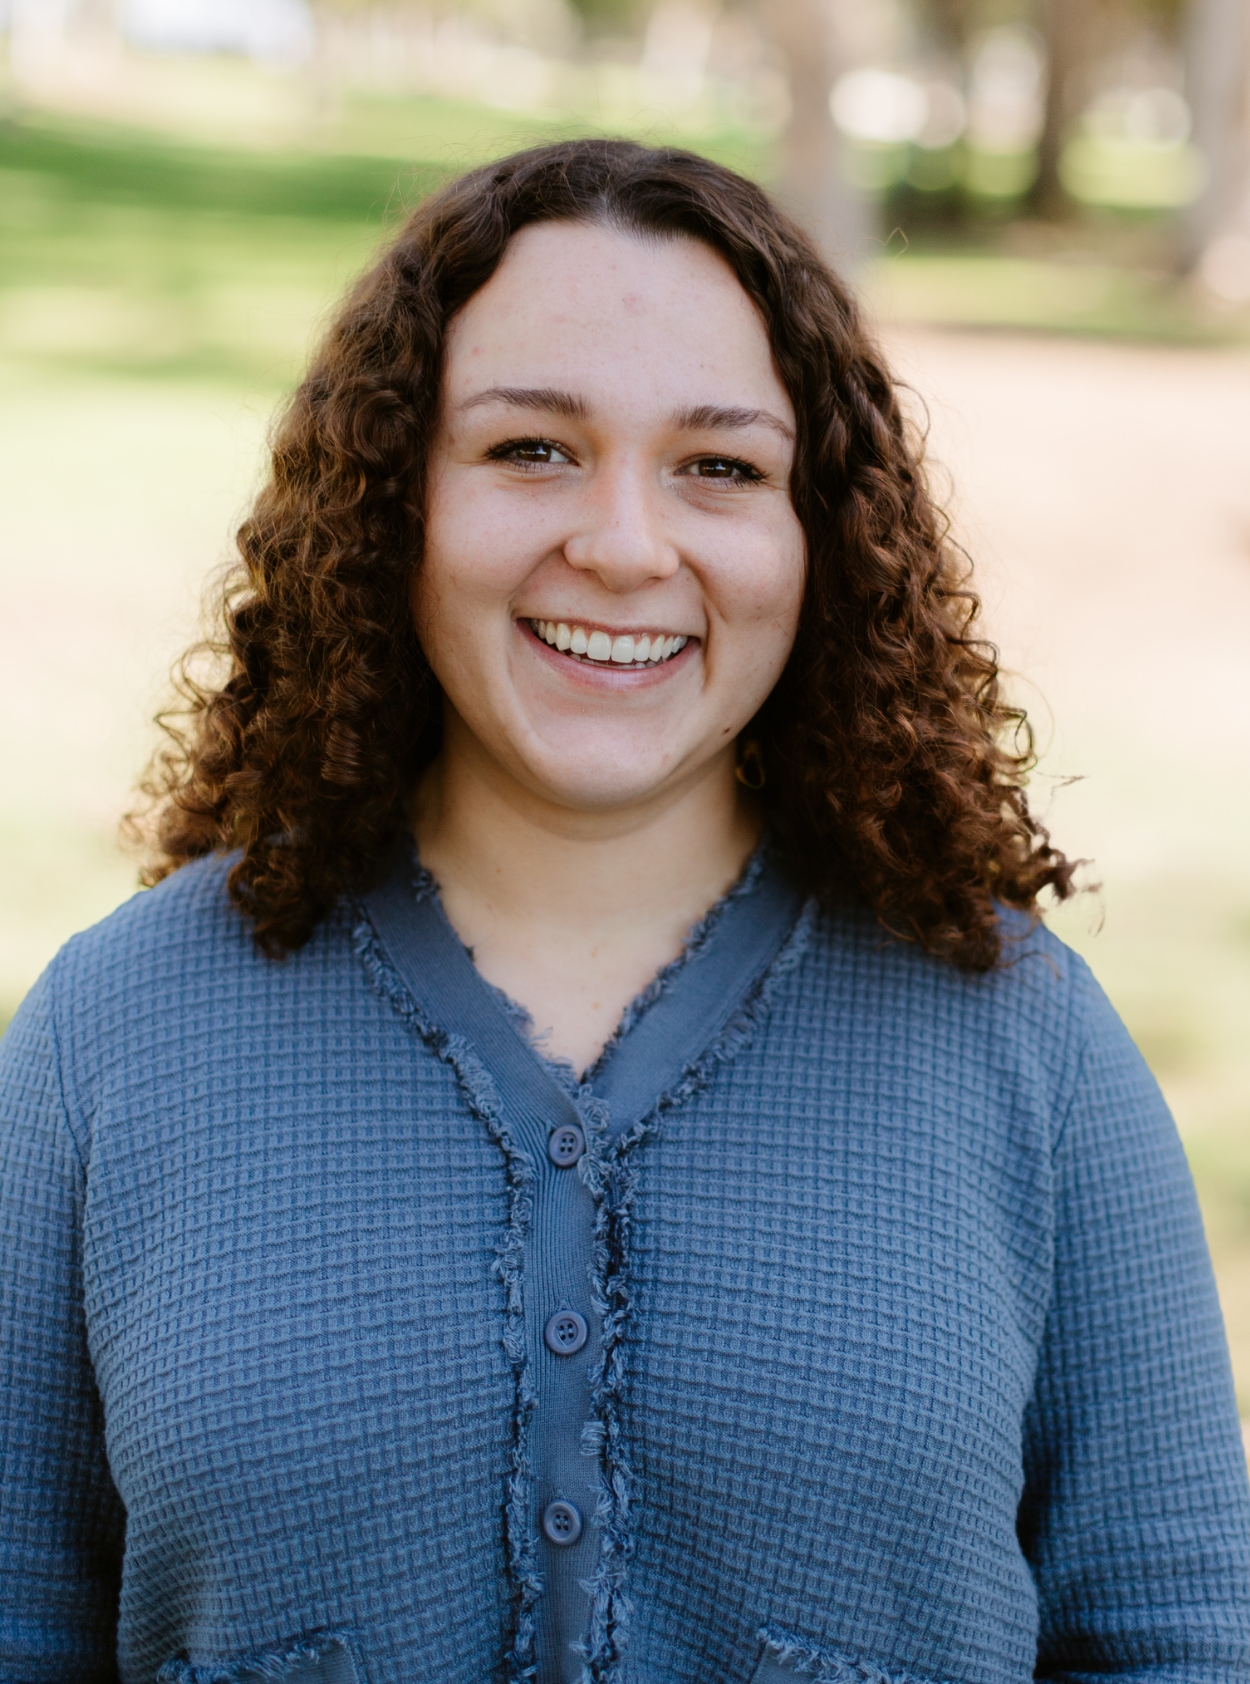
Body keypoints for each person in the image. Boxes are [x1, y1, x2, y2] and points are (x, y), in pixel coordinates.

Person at [1, 138, 1247, 1684]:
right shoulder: (110, 1040)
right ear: (393, 501)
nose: (624, 544)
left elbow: (1180, 1634)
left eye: (718, 468)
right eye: (531, 449)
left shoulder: (1024, 1045)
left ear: (820, 540)